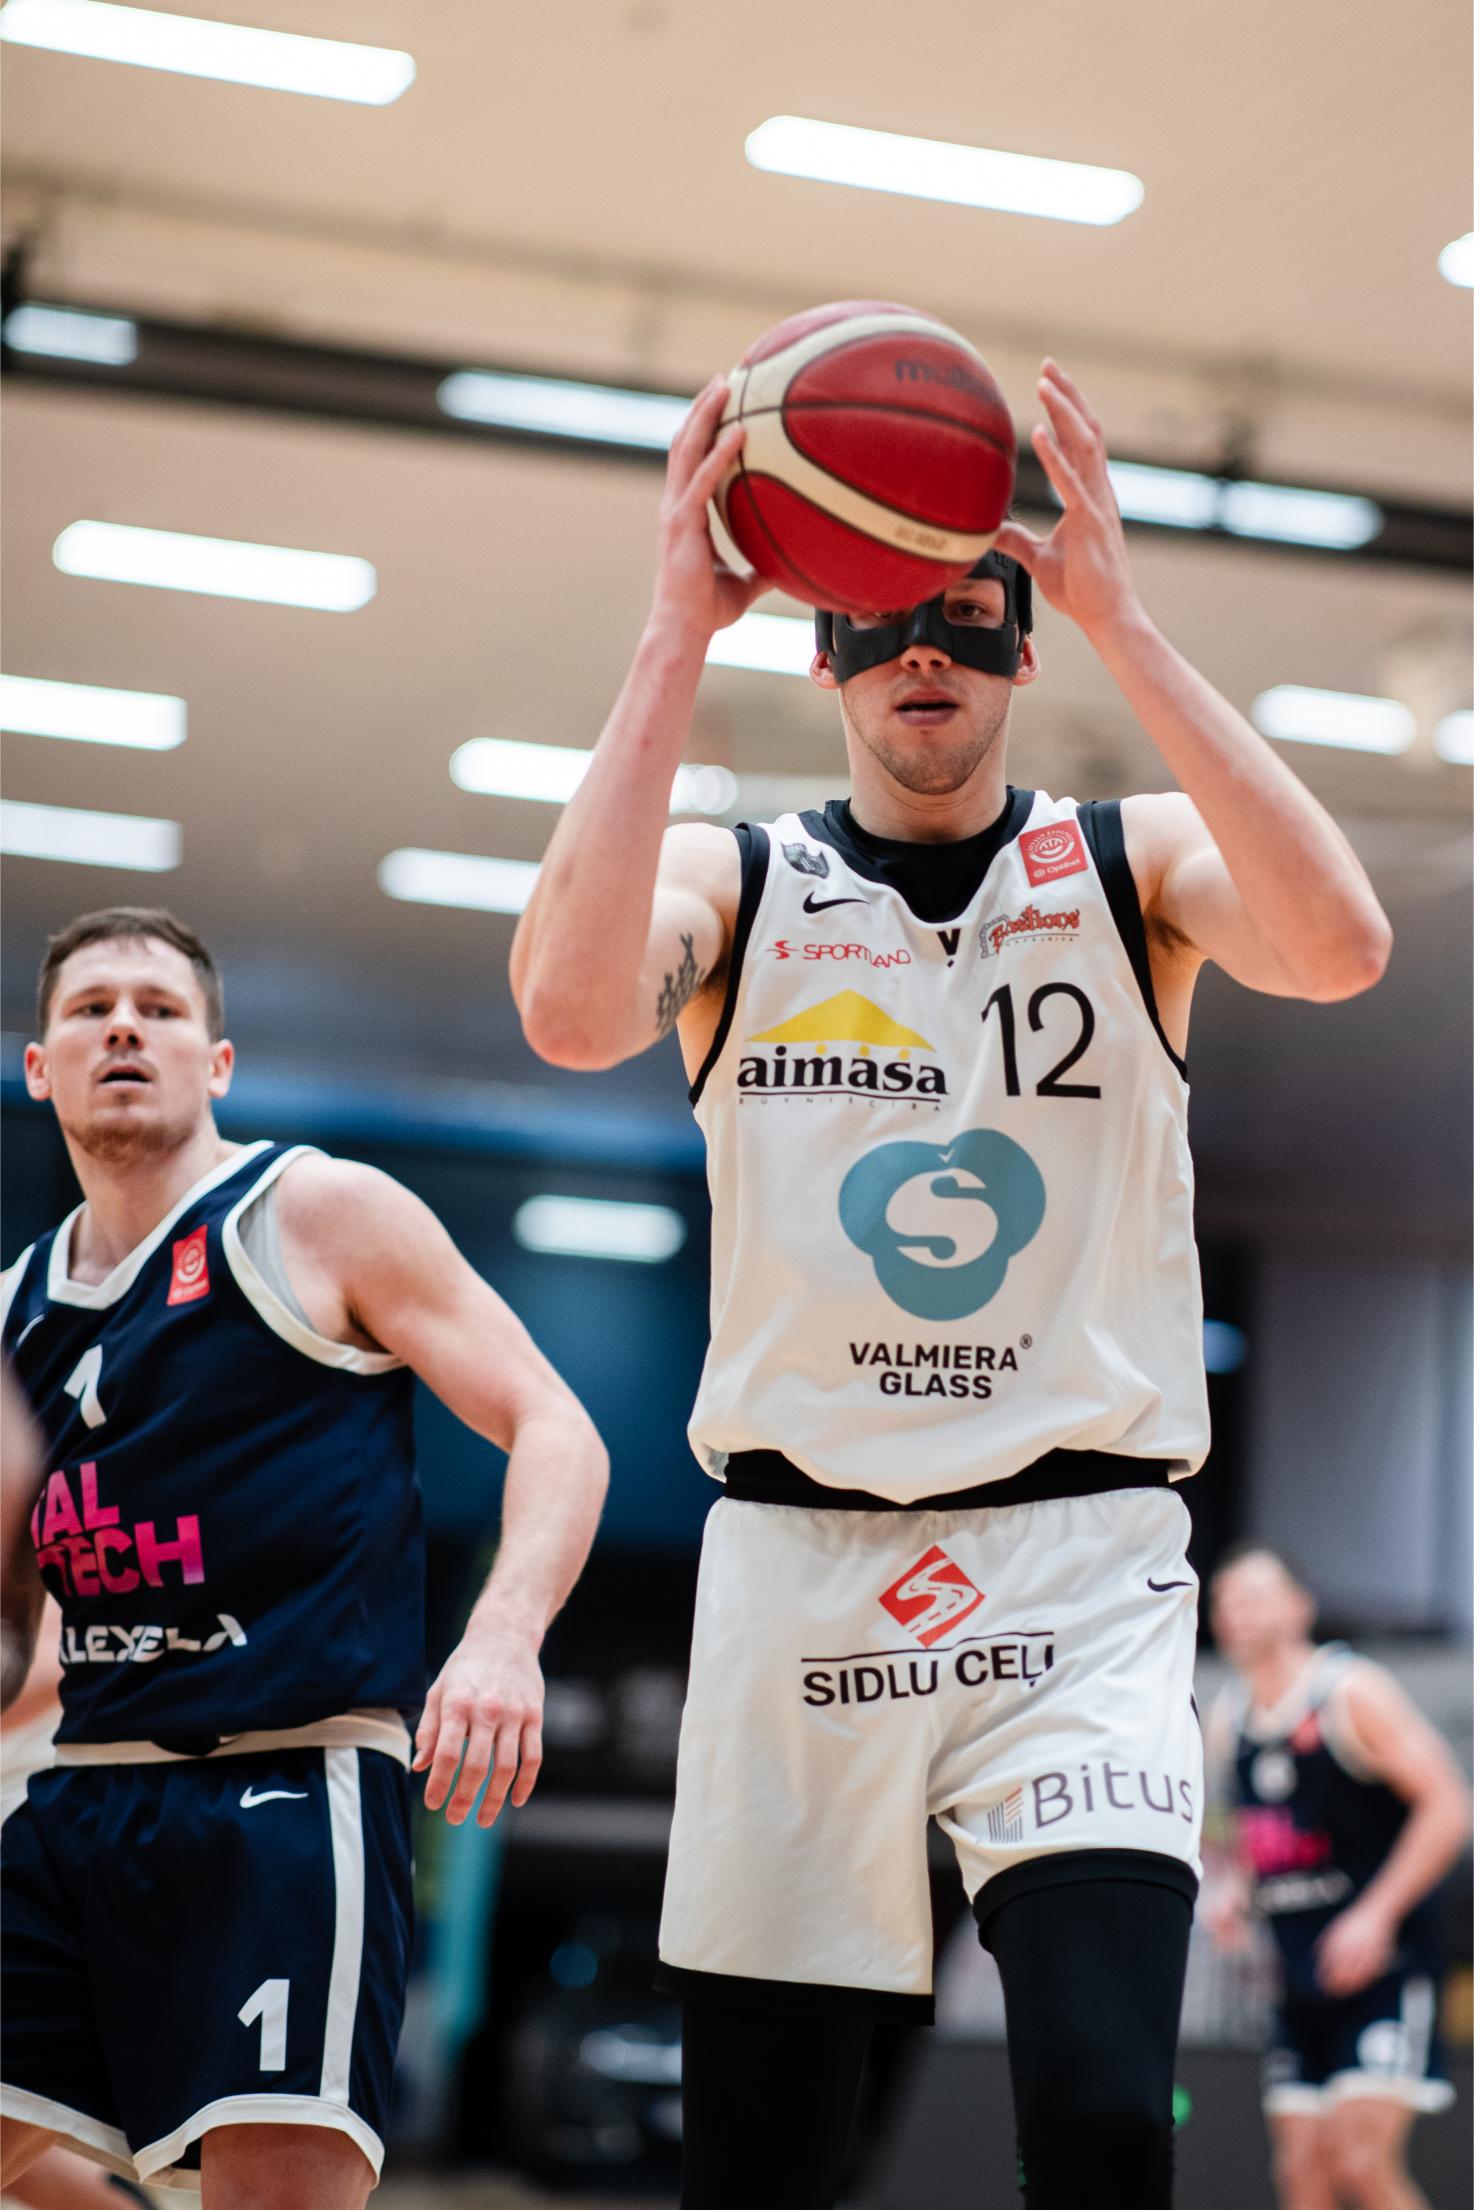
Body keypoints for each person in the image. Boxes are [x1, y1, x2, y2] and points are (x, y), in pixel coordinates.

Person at [508, 358, 1392, 2210]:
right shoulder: (736, 885)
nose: (924, 648)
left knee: (1099, 2115)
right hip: (797, 1570)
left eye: (969, 617)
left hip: (1076, 1574)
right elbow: (569, 1014)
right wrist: (671, 630)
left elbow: (1338, 947)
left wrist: (1127, 621)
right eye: (883, 615)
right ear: (824, 651)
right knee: (758, 2165)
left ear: (1018, 653)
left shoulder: (1125, 867)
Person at [0, 907, 609, 2207]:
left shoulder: (317, 1212)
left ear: (217, 1062)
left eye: (160, 1009)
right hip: (78, 1798)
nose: (124, 1027)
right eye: (91, 1008)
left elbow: (556, 1426)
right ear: (40, 1067)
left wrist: (503, 1637)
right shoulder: (15, 1308)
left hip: (286, 1790)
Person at [1205, 1544, 1470, 2210]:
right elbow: (1241, 1834)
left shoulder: (1349, 1691)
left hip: (1384, 1965)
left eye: (1253, 1596)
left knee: (1361, 2160)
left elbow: (1449, 1805)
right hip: (1297, 1969)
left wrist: (1375, 1914)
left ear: (1300, 1607)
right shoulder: (1228, 1717)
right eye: (1224, 1600)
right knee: (1303, 2171)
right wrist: (1232, 1889)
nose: (1235, 1612)